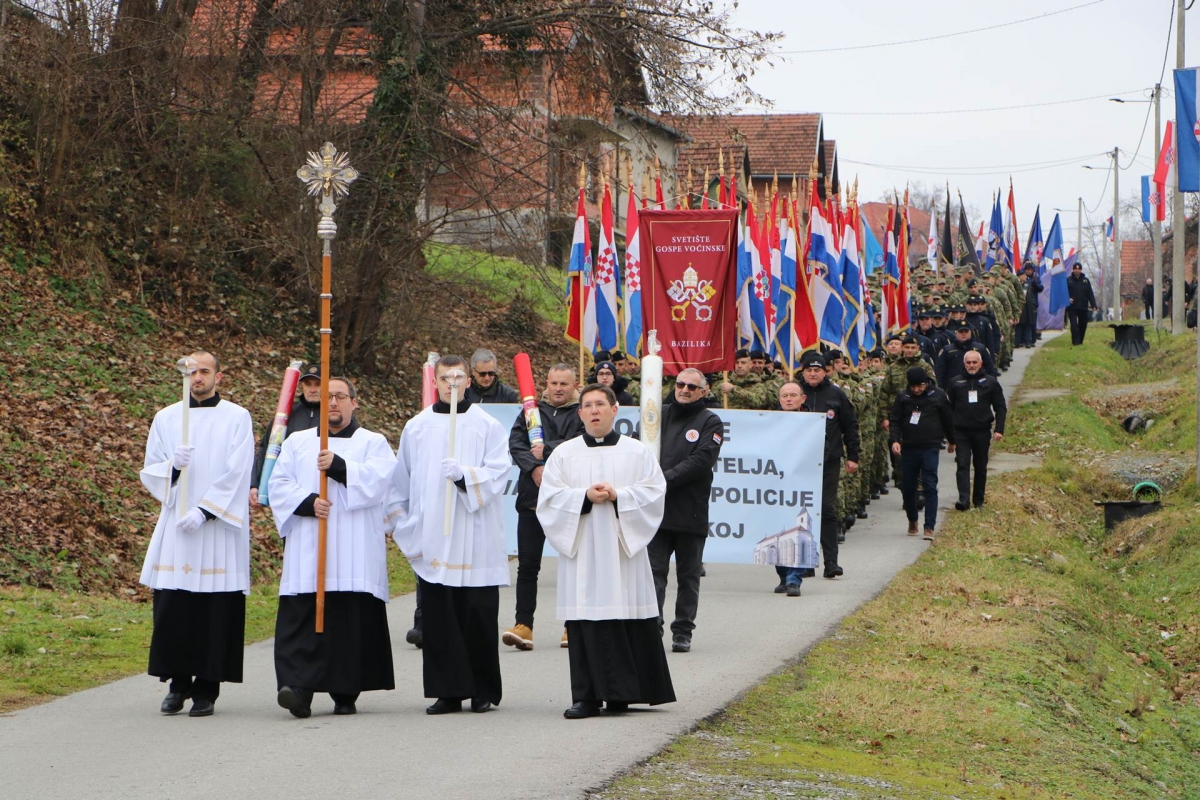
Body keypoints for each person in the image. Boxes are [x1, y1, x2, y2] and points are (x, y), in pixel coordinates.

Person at [537, 384, 674, 719]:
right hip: (583, 550)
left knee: (623, 612)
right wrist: (583, 496)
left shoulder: (637, 452)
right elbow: (549, 500)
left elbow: (655, 493)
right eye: (587, 405)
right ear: (580, 413)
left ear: (615, 410)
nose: (594, 410)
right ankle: (585, 697)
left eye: (601, 404)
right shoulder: (564, 454)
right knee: (585, 618)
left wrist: (619, 496)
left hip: (621, 550)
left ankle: (621, 695)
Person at [267, 378, 397, 718]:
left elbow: (381, 482)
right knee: (303, 617)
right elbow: (278, 484)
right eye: (327, 398)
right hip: (309, 547)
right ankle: (297, 689)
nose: (334, 403)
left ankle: (345, 689)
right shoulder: (297, 442)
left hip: (354, 549)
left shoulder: (373, 442)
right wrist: (308, 502)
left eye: (340, 396)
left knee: (348, 622)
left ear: (355, 402)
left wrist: (339, 467)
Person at [391, 355, 511, 715]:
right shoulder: (417, 427)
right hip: (434, 536)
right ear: (436, 383)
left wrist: (465, 477)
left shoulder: (487, 425)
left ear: (469, 382)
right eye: (446, 379)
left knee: (477, 614)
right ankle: (447, 690)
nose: (452, 384)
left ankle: (482, 689)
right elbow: (401, 480)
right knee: (439, 616)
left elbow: (500, 472)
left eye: (459, 378)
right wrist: (403, 522)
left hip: (476, 535)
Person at [138, 351, 254, 717]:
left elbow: (238, 469)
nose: (198, 377)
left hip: (217, 527)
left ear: (219, 376)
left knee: (214, 609)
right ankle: (177, 684)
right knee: (175, 606)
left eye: (205, 371)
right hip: (178, 526)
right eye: (192, 372)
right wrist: (172, 466)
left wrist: (205, 511)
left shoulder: (237, 417)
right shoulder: (167, 417)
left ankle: (207, 688)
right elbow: (151, 467)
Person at [503, 364, 584, 651]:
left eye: (564, 383)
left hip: (568, 501)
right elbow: (516, 443)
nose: (558, 388)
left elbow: (581, 444)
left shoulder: (582, 411)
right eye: (553, 383)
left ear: (575, 385)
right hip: (532, 500)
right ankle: (523, 625)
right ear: (546, 383)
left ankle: (573, 626)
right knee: (528, 566)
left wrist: (546, 449)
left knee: (573, 564)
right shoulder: (531, 411)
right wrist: (535, 468)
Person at [647, 369, 723, 653]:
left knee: (688, 576)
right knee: (654, 573)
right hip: (656, 510)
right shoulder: (657, 414)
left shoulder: (710, 421)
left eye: (692, 386)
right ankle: (652, 625)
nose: (685, 389)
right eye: (680, 384)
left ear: (704, 391)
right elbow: (638, 447)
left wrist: (663, 479)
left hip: (690, 511)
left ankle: (683, 630)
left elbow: (702, 460)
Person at [798, 352, 859, 579]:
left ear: (825, 371)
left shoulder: (836, 394)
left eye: (817, 370)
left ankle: (831, 561)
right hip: (799, 464)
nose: (813, 374)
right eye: (809, 370)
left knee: (826, 509)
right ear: (802, 372)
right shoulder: (794, 392)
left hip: (828, 461)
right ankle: (805, 562)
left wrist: (854, 456)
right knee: (802, 511)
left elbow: (850, 426)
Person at [889, 367, 955, 541]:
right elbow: (895, 420)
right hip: (909, 447)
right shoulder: (903, 397)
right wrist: (895, 440)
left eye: (920, 386)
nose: (917, 390)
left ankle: (929, 526)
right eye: (913, 387)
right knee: (908, 486)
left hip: (930, 446)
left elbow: (948, 419)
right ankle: (912, 518)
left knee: (929, 484)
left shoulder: (938, 395)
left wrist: (952, 440)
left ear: (926, 383)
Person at [250, 363, 322, 507]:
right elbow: (267, 447)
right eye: (308, 384)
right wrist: (255, 484)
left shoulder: (334, 415)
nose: (312, 389)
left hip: (321, 489)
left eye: (318, 384)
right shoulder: (287, 414)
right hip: (288, 491)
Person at [945, 353, 1007, 512]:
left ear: (980, 363)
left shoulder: (991, 382)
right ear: (964, 363)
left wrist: (999, 429)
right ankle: (964, 499)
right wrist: (948, 434)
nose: (971, 365)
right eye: (968, 362)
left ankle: (978, 500)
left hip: (982, 431)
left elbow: (1000, 406)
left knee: (980, 466)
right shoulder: (955, 382)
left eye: (974, 362)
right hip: (961, 432)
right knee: (962, 464)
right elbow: (948, 409)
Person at [774, 380, 811, 597]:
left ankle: (794, 579)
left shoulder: (812, 422)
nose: (788, 399)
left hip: (802, 485)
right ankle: (782, 575)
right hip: (775, 486)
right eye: (784, 395)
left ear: (802, 399)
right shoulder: (770, 422)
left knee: (798, 531)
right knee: (777, 530)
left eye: (793, 395)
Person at [1066, 262, 1099, 345]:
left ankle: (1080, 340)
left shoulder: (1086, 281)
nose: (1077, 270)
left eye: (1078, 269)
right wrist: (1067, 298)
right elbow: (1064, 292)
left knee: (1083, 324)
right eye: (1075, 269)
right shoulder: (1068, 280)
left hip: (1083, 306)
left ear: (1081, 270)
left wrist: (1093, 304)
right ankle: (1075, 341)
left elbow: (1090, 294)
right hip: (1072, 307)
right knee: (1074, 325)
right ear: (1073, 270)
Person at [1015, 263, 1042, 348]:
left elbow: (1040, 288)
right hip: (1021, 306)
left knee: (1029, 324)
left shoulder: (1034, 279)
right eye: (1027, 270)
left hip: (1030, 306)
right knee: (1020, 325)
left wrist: (1035, 284)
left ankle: (1030, 341)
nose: (1029, 272)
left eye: (1031, 270)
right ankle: (1018, 341)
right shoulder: (1017, 283)